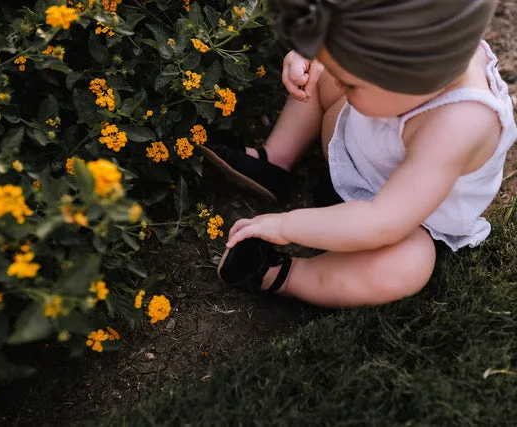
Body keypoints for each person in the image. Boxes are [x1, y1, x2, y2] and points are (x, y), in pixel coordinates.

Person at [199, 0, 517, 307]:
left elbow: (382, 221)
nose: (340, 83)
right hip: (361, 152)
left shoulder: (459, 125)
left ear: (406, 78)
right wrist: (316, 56)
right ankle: (275, 159)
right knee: (322, 71)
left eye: (350, 85)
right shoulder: (412, 59)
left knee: (407, 263)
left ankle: (282, 273)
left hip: (396, 213)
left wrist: (285, 227)